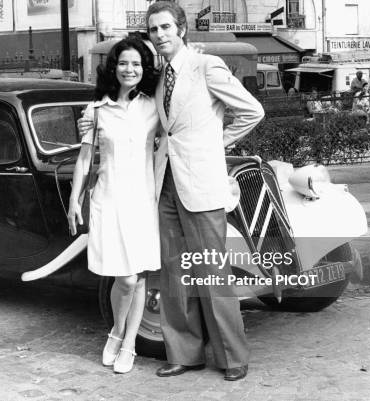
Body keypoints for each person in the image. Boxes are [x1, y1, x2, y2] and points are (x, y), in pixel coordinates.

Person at [146, 1, 262, 381]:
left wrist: (215, 144)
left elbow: (251, 111)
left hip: (200, 185)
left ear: (181, 28)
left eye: (165, 27)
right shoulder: (163, 75)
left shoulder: (205, 65)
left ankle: (232, 357)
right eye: (153, 30)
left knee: (212, 272)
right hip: (167, 184)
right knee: (175, 273)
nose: (160, 35)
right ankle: (184, 353)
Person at [67, 38, 161, 374]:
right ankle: (118, 330)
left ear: (144, 69)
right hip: (107, 199)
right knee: (123, 278)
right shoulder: (96, 109)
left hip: (142, 202)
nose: (130, 69)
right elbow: (83, 159)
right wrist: (74, 200)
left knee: (136, 276)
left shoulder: (154, 106)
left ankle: (128, 342)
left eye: (137, 64)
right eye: (124, 63)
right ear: (114, 66)